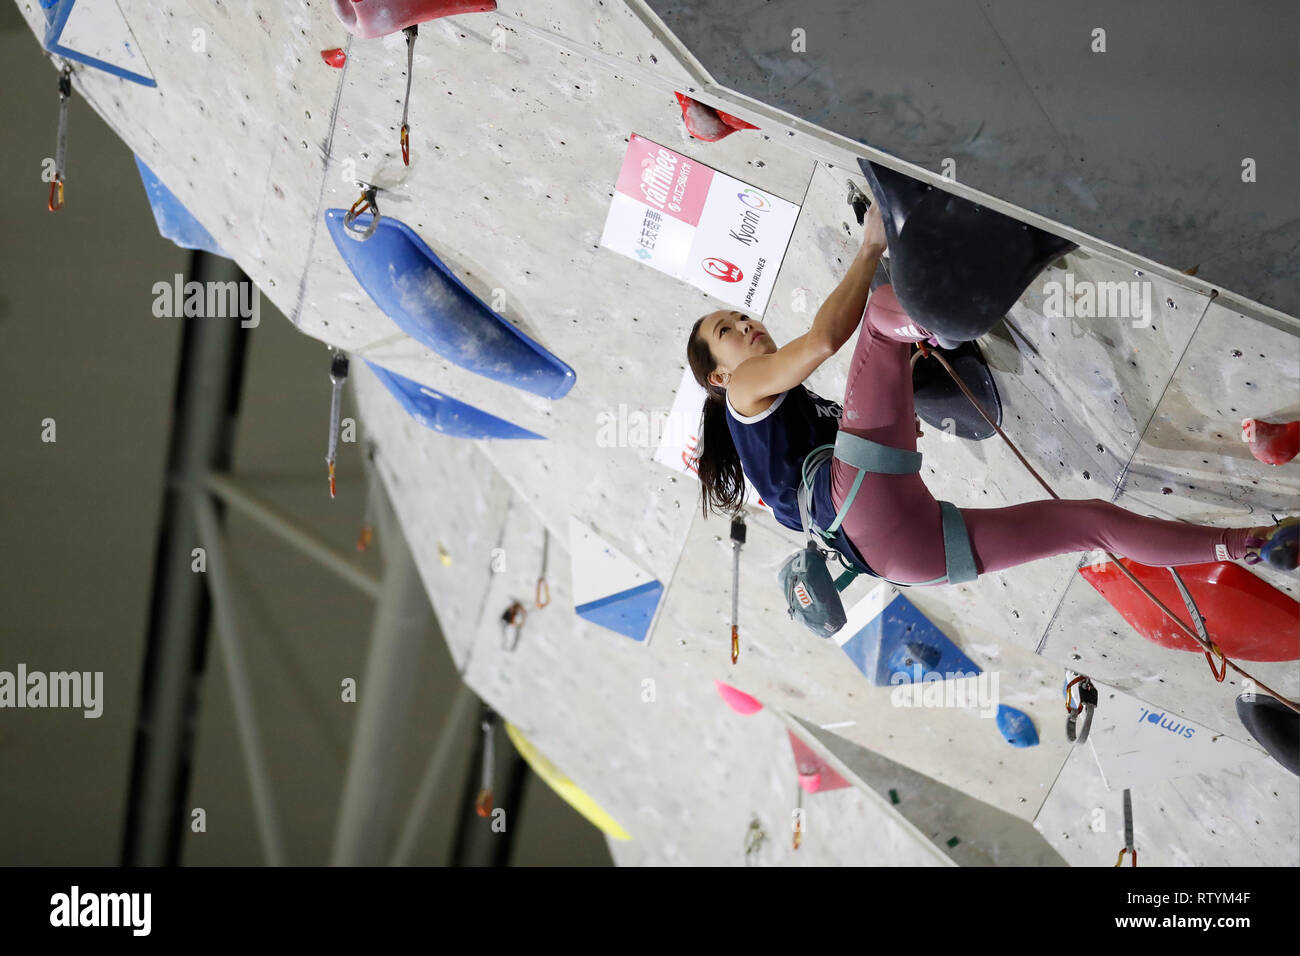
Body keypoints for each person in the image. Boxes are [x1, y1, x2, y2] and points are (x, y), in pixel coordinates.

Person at [684, 197, 1298, 585]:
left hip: (901, 560)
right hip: (863, 506)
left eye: (739, 315)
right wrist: (872, 246)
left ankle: (1256, 545)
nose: (744, 325)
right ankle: (1001, 251)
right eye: (726, 331)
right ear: (718, 375)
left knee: (1092, 525)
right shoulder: (740, 389)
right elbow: (822, 341)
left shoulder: (771, 432)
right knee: (882, 317)